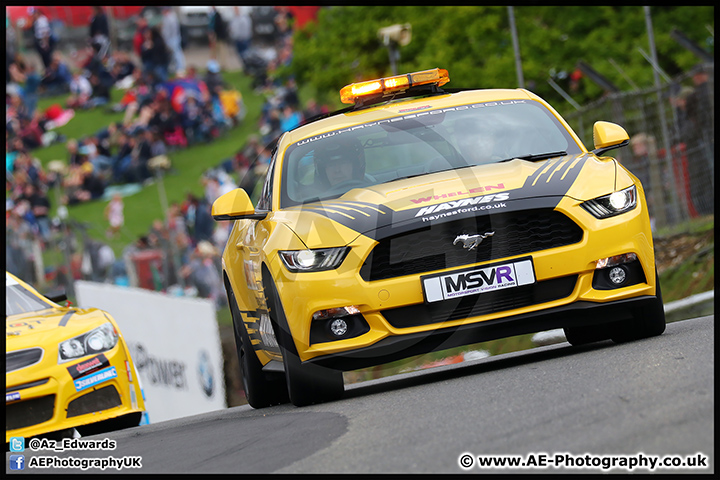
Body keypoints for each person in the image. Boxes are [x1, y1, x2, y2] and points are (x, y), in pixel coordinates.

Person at [161, 6, 185, 76]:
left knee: (176, 53)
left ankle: (180, 68)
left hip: (172, 38)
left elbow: (170, 30)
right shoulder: (166, 17)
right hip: (170, 39)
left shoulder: (171, 17)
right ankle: (174, 68)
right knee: (172, 55)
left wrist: (167, 38)